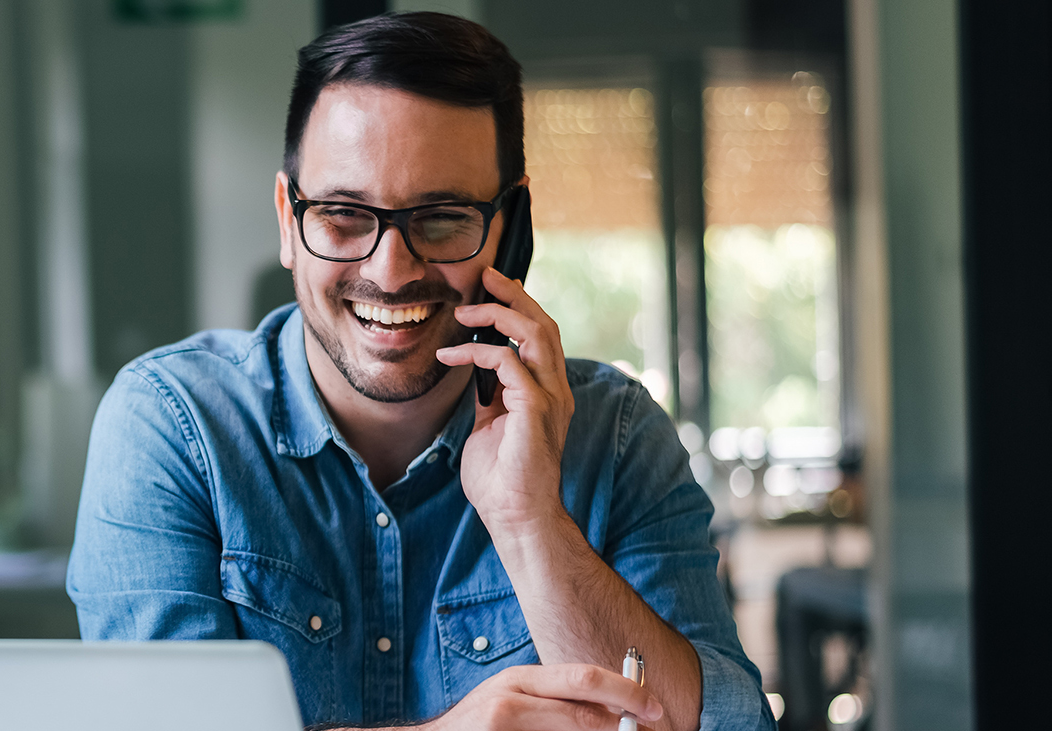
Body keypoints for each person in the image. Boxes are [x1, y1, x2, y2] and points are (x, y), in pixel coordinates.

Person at [66, 12, 771, 731]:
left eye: (441, 219)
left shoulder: (616, 435)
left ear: (510, 228)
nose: (391, 270)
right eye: (344, 216)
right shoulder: (171, 424)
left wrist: (530, 524)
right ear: (288, 218)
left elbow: (736, 725)